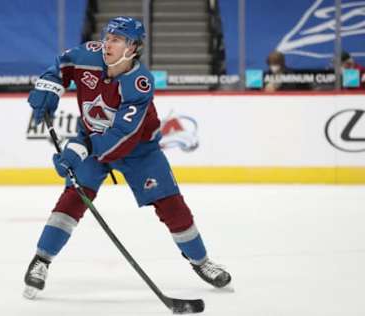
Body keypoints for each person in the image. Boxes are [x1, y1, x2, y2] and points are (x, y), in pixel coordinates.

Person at [22, 16, 232, 299]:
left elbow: (122, 136)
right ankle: (41, 260)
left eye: (116, 40)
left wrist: (77, 149)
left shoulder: (140, 83)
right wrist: (49, 86)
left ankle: (201, 261)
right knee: (74, 196)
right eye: (107, 37)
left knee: (171, 204)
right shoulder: (88, 55)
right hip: (93, 139)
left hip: (138, 149)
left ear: (132, 48)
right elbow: (61, 66)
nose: (108, 44)